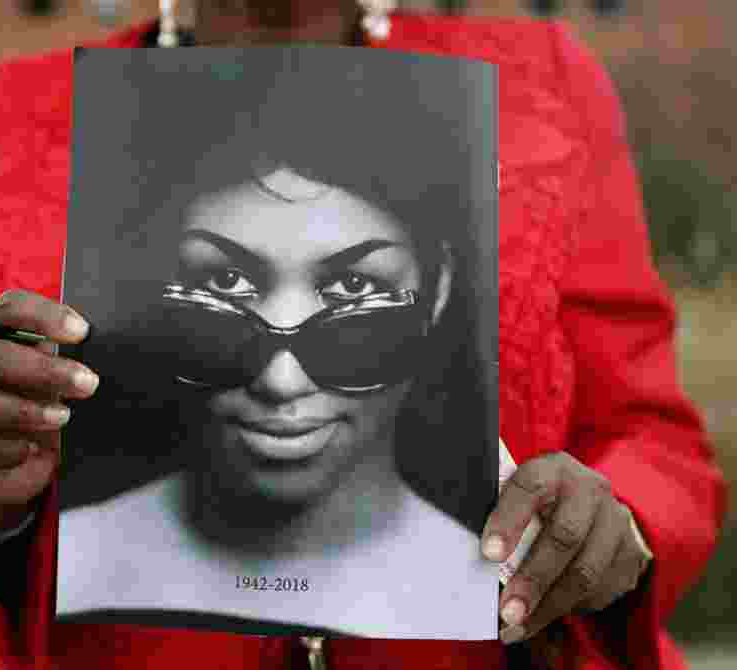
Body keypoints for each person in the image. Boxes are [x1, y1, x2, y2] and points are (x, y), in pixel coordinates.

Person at [0, 1, 726, 670]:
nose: (284, 370)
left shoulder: (537, 89)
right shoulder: (4, 118)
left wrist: (615, 529)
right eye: (220, 287)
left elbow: (656, 443)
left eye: (355, 293)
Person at [53, 49, 498, 638]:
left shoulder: (498, 591)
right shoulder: (71, 561)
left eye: (353, 287)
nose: (280, 382)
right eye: (225, 282)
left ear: (438, 289)